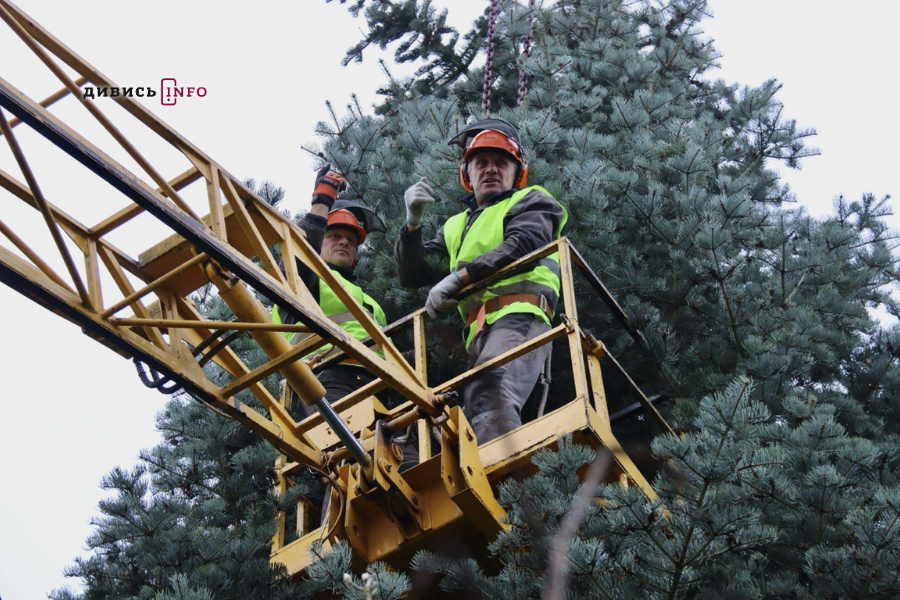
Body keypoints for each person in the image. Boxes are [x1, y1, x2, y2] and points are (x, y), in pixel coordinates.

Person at [395, 118, 568, 444]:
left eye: (501, 163)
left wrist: (460, 279)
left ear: (519, 174)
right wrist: (412, 224)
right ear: (466, 175)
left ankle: (505, 482)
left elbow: (524, 244)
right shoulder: (454, 226)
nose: (490, 169)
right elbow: (412, 274)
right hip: (479, 331)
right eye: (481, 163)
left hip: (521, 315)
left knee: (491, 391)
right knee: (472, 410)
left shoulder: (532, 200)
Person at [273, 166, 387, 419]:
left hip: (376, 386)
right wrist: (322, 200)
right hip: (324, 381)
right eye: (334, 236)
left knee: (408, 459)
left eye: (350, 239)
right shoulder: (309, 282)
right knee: (348, 450)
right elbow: (297, 256)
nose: (344, 242)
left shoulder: (367, 301)